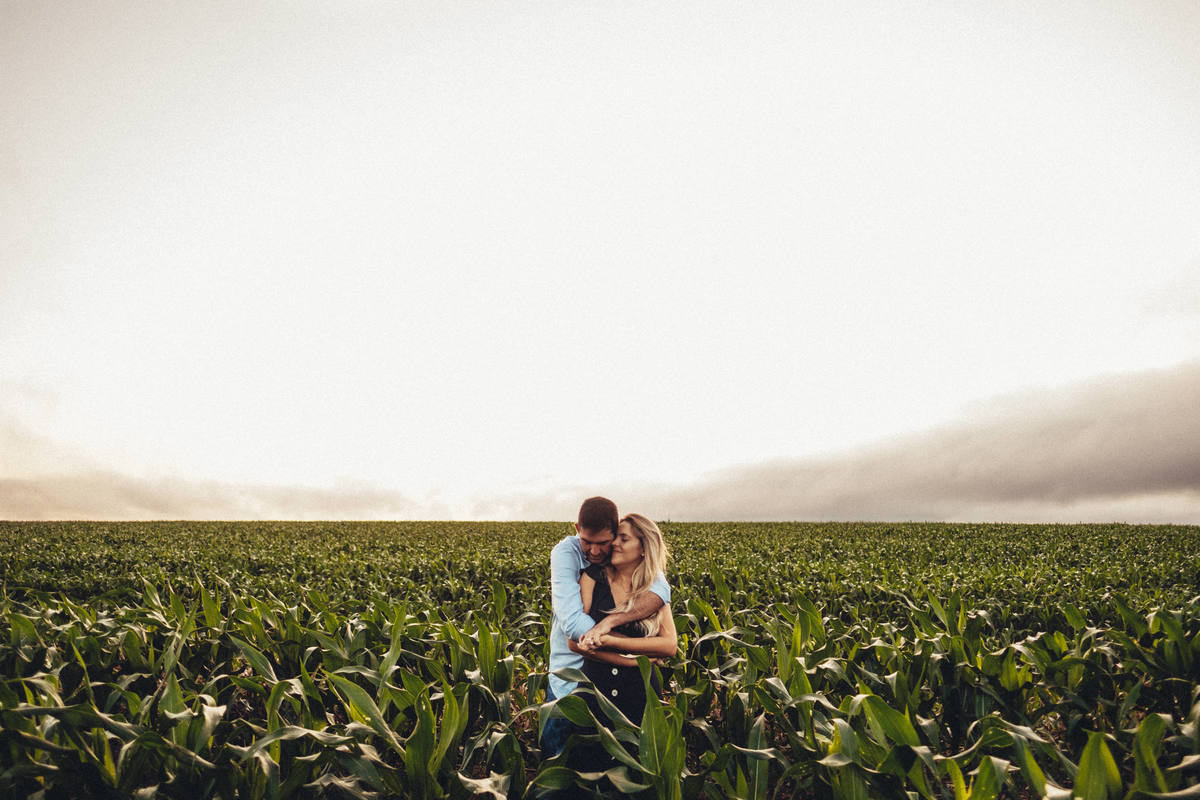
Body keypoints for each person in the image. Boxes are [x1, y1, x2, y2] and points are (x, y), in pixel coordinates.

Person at [542, 498, 671, 758]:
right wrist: (637, 658)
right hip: (570, 677)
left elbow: (661, 591)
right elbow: (574, 628)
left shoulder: (636, 572)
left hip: (616, 688)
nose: (595, 551)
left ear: (614, 532)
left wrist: (610, 625)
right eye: (587, 542)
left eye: (604, 543)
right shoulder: (570, 557)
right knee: (557, 763)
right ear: (576, 527)